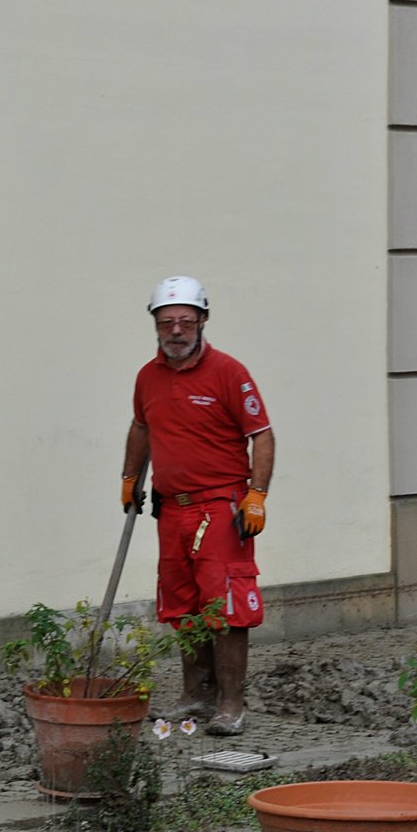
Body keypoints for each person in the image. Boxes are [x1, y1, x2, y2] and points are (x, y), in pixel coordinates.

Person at [121, 276, 275, 737]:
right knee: (183, 604)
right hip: (173, 509)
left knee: (226, 606)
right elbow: (141, 428)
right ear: (155, 325)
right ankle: (196, 695)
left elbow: (261, 434)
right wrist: (131, 478)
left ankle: (231, 703)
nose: (176, 330)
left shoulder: (229, 372)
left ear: (203, 320)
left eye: (186, 320)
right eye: (166, 321)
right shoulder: (147, 377)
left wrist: (257, 495)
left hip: (221, 508)